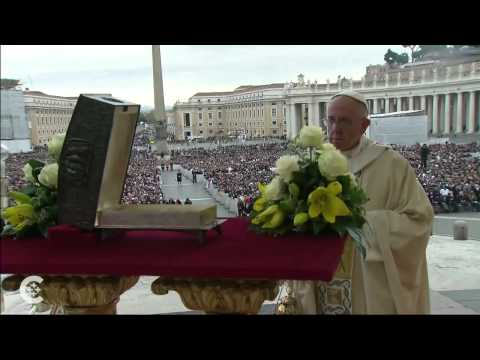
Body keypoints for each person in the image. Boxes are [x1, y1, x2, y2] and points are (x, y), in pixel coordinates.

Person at [290, 90, 434, 314]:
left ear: (364, 125)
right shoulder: (312, 164)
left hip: (370, 284)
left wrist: (362, 223)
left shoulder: (391, 165)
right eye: (331, 120)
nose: (335, 128)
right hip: (321, 280)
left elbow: (420, 222)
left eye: (345, 121)